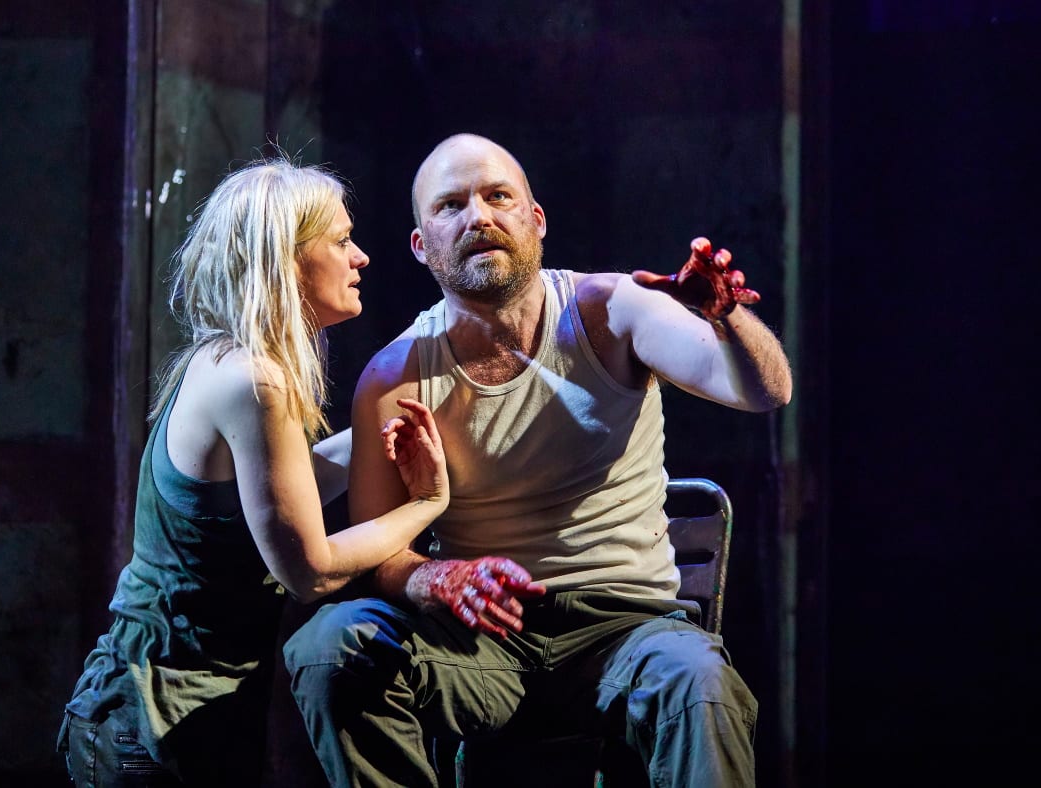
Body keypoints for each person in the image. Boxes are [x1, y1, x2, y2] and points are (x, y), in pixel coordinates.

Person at [284, 133, 793, 787]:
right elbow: (380, 550)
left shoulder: (611, 310)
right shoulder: (396, 375)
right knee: (331, 648)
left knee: (701, 684)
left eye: (498, 196)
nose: (479, 216)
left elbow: (765, 389)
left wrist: (726, 318)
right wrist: (429, 580)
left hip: (627, 633)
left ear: (535, 220)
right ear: (421, 245)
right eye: (451, 206)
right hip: (484, 645)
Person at [56, 156, 450, 787]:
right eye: (341, 241)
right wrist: (423, 504)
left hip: (178, 716)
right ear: (287, 258)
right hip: (156, 724)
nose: (361, 258)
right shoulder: (254, 379)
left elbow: (276, 498)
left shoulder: (224, 361)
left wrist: (404, 422)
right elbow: (310, 569)